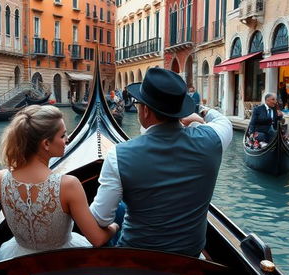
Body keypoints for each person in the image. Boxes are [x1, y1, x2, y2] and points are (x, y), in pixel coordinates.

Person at [90, 68, 233, 258]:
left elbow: (99, 218)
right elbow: (223, 121)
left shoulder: (118, 155)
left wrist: (115, 227)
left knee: (120, 211)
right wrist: (200, 112)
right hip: (191, 257)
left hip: (136, 257)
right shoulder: (213, 140)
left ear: (146, 110)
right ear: (180, 110)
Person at [0, 105, 119, 260]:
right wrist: (115, 226)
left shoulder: (0, 179)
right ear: (46, 144)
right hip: (62, 261)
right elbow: (98, 239)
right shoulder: (68, 185)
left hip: (17, 260)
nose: (68, 140)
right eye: (63, 136)